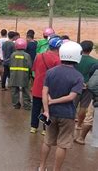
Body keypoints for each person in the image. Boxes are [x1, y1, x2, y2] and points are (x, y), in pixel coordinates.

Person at [39, 41, 84, 171]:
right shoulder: (78, 76)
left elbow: (44, 92)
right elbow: (71, 97)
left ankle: (41, 167)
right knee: (62, 144)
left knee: (47, 141)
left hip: (51, 113)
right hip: (67, 114)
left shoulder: (51, 72)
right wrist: (53, 101)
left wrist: (47, 109)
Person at [30, 36, 62, 134]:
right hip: (50, 90)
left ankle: (33, 127)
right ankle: (45, 129)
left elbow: (34, 69)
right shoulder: (58, 60)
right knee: (47, 109)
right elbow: (58, 77)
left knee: (35, 108)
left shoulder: (39, 56)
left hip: (37, 87)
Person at [74, 40, 97, 132]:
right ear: (91, 50)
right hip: (88, 87)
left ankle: (70, 122)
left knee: (72, 105)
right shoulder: (95, 62)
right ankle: (79, 124)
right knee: (84, 106)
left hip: (75, 85)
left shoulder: (76, 59)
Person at [9, 38, 32, 110]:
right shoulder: (27, 55)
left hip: (14, 75)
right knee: (26, 91)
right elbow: (30, 66)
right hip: (24, 76)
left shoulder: (13, 55)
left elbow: (10, 64)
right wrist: (31, 75)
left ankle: (16, 105)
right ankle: (27, 105)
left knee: (14, 91)